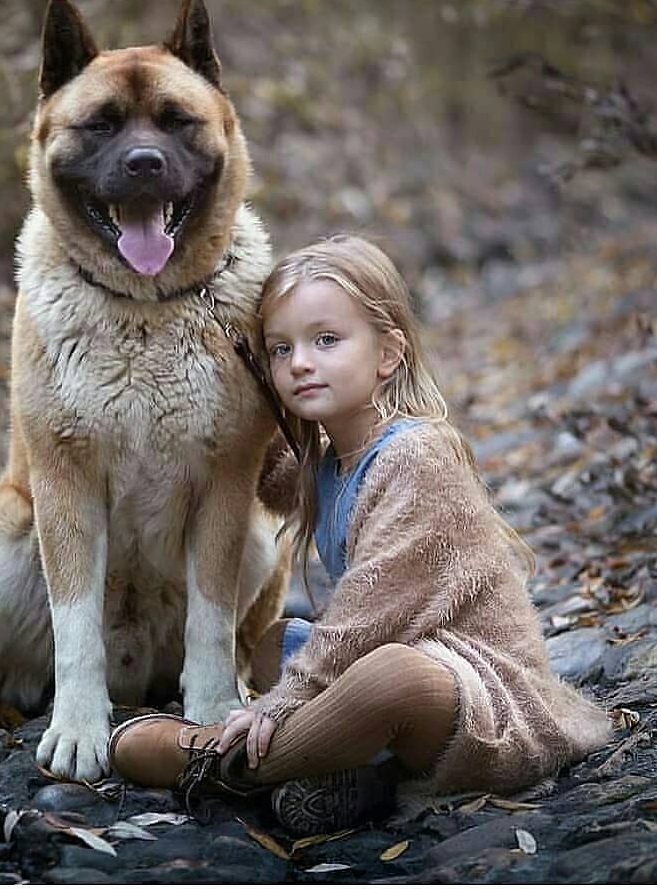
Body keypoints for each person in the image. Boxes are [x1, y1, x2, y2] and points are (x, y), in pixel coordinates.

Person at [107, 235, 612, 835]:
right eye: (280, 349)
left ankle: (221, 765)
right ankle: (348, 773)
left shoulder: (416, 454)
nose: (298, 363)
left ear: (388, 353)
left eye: (326, 341)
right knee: (274, 644)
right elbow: (252, 466)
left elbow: (372, 606)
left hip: (480, 696)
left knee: (390, 674)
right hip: (392, 672)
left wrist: (282, 701)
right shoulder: (326, 462)